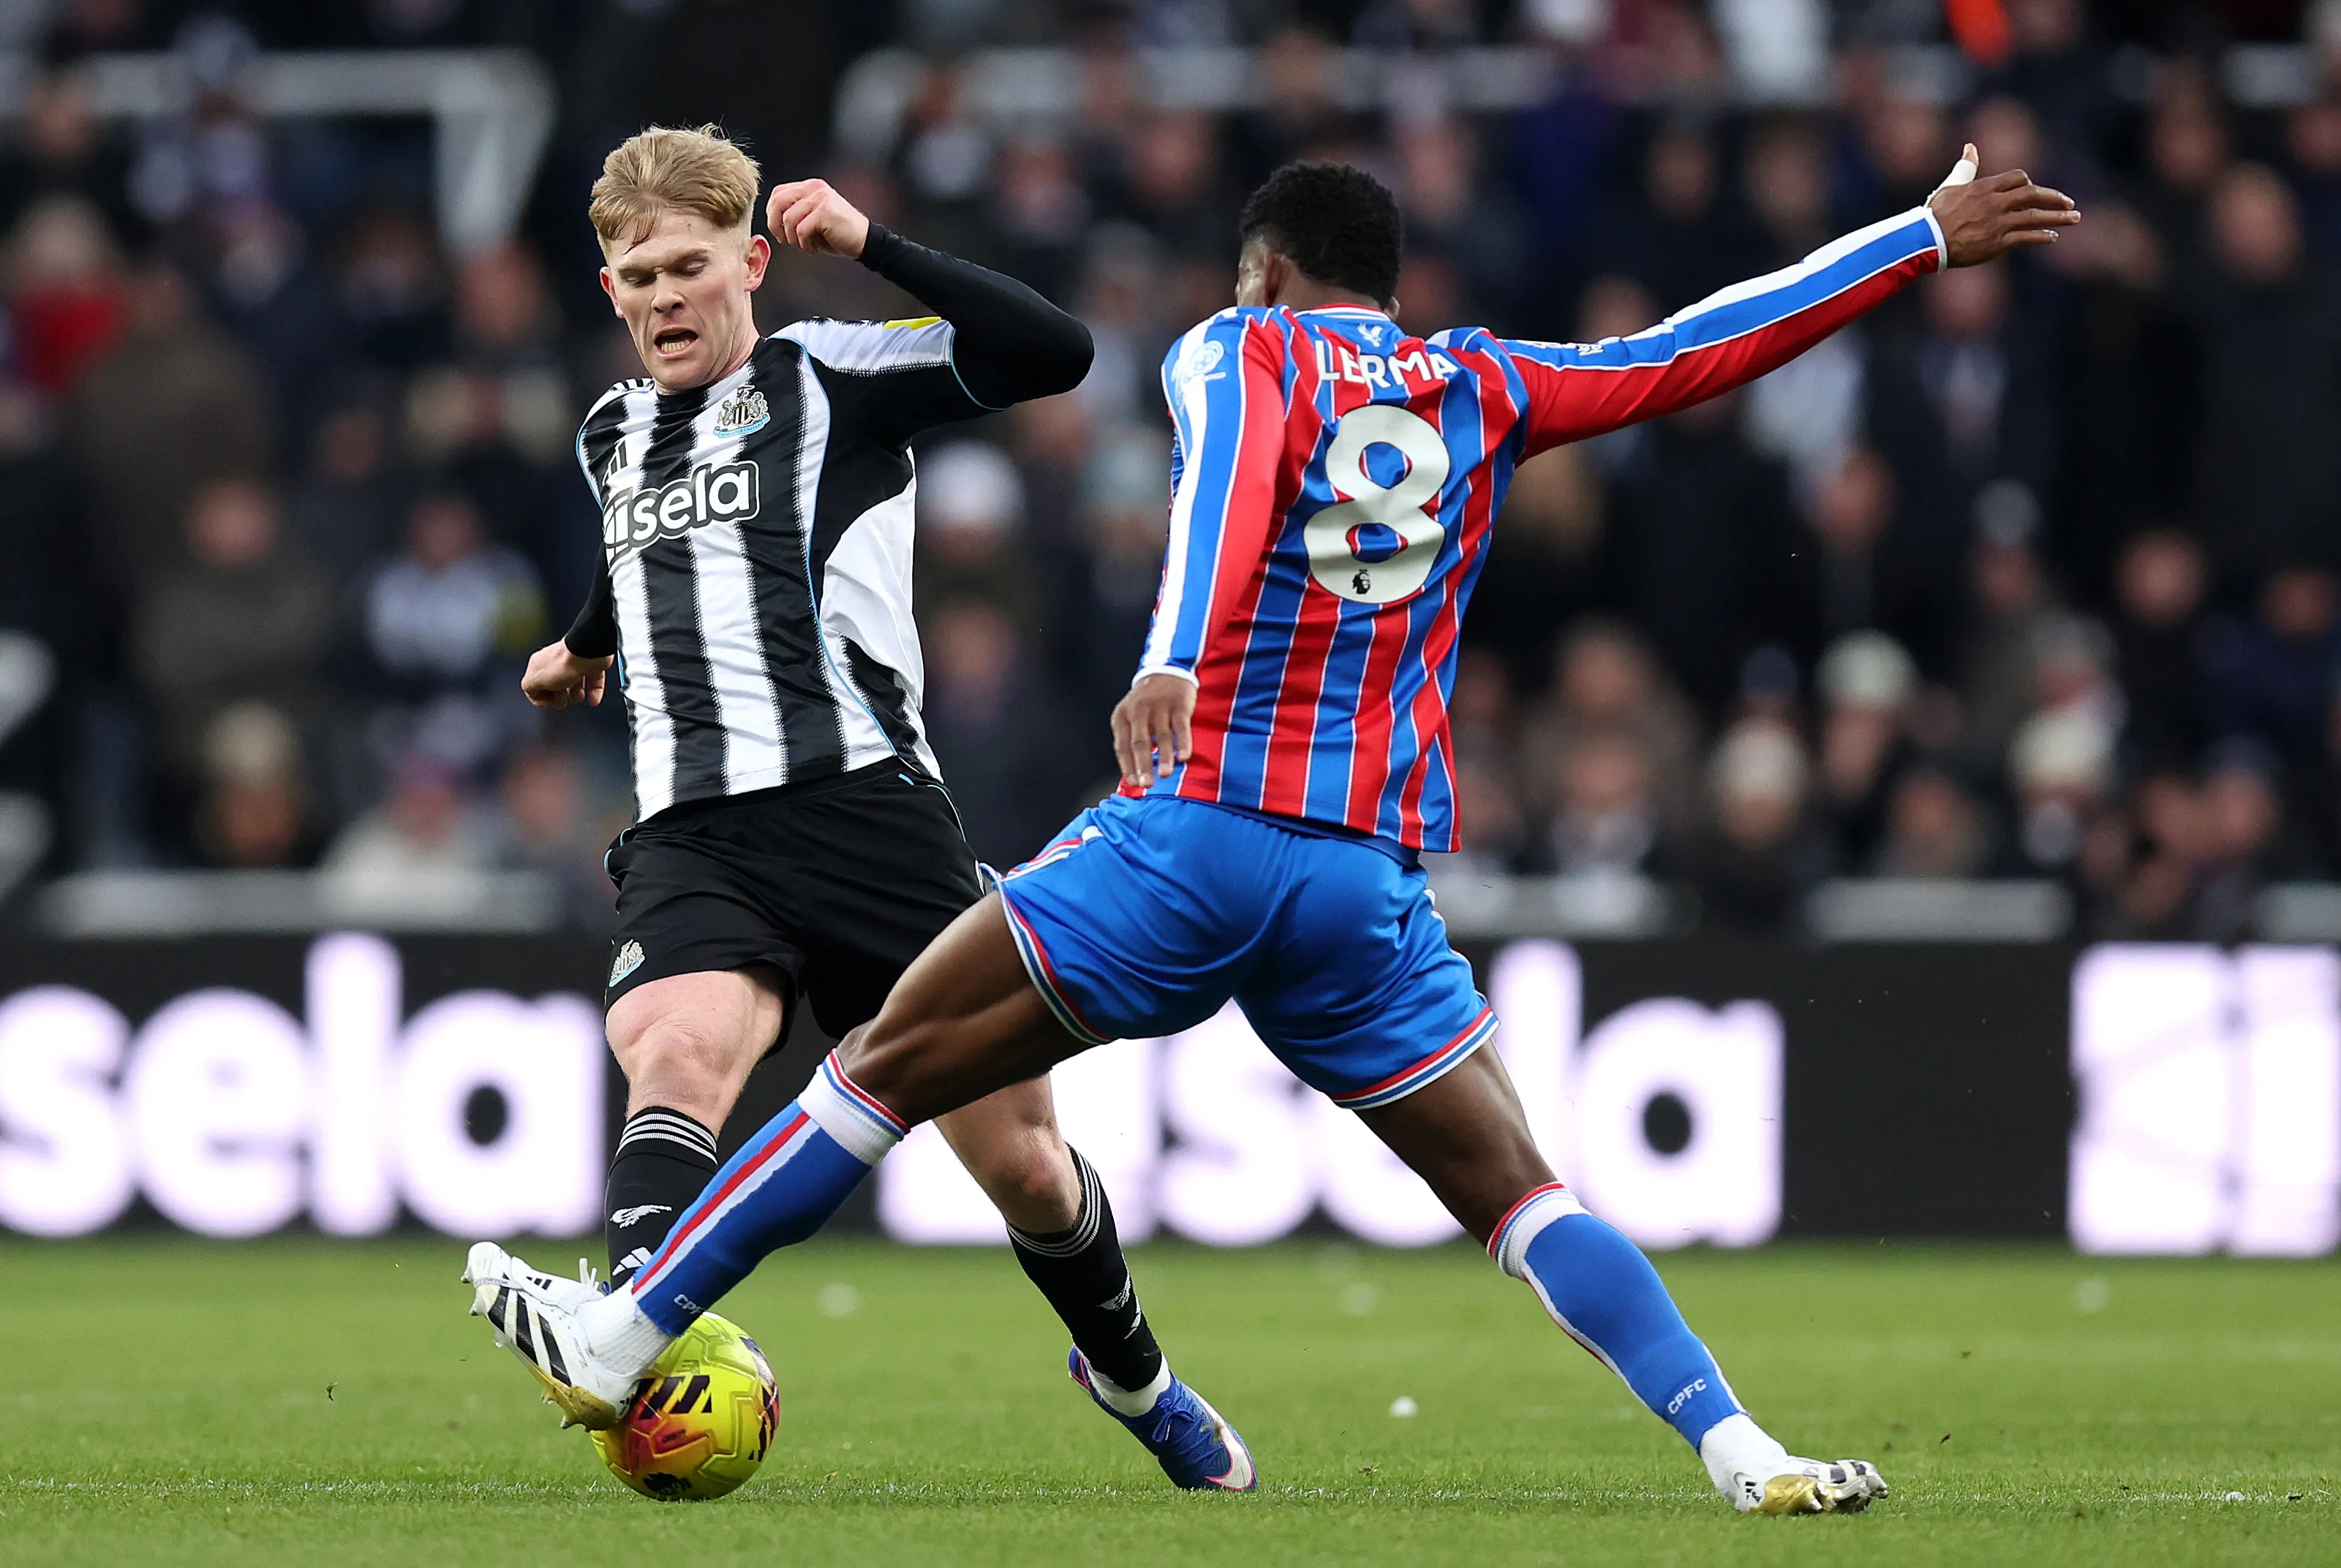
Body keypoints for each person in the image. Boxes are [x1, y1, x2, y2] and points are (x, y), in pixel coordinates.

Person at [470, 146, 2077, 1515]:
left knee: (879, 1070)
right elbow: (1699, 345)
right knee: (1522, 1194)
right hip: (1364, 883)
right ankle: (1741, 1445)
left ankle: (629, 1329)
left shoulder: (1238, 354)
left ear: (1262, 275)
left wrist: (1172, 648)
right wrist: (1917, 238)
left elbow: (1231, 483)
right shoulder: (1486, 383)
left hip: (1191, 836)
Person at [471, 126, 1249, 1492]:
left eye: (689, 266)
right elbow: (647, 553)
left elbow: (1051, 353)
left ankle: (1138, 1379)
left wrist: (877, 247)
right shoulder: (610, 435)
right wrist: (590, 641)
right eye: (636, 274)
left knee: (1022, 1167)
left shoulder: (838, 373)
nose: (663, 296)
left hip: (871, 818)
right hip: (693, 827)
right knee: (676, 1046)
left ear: (754, 261)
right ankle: (635, 1322)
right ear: (608, 291)